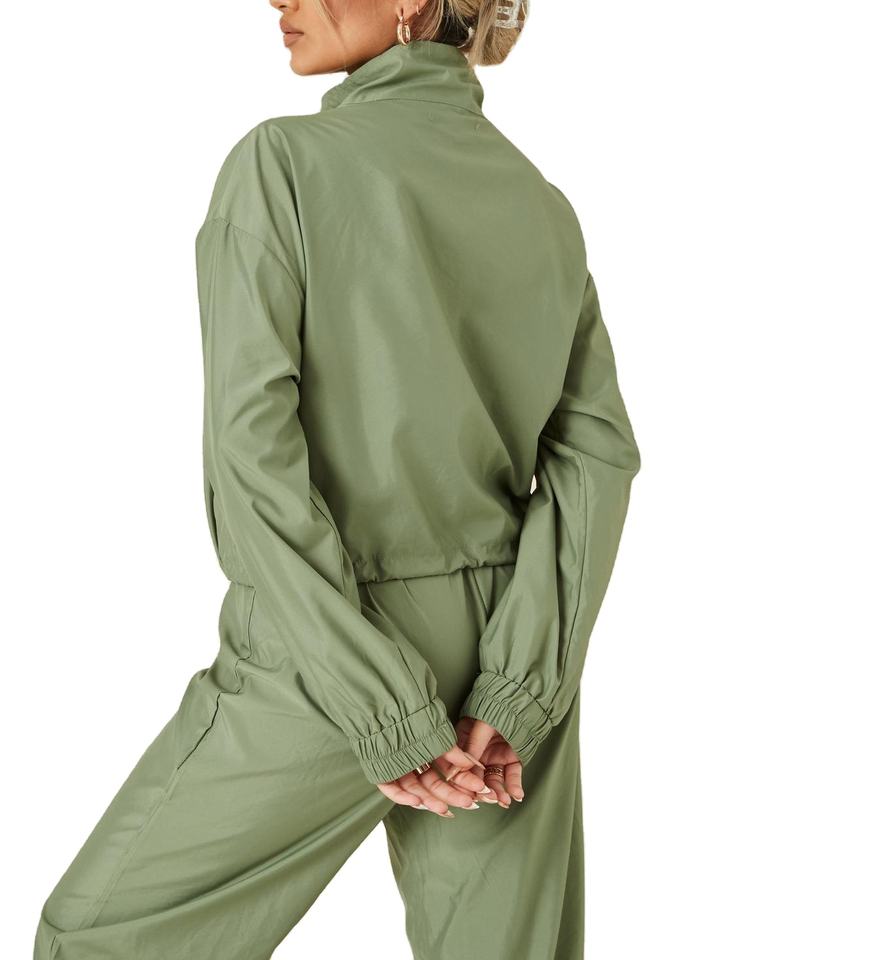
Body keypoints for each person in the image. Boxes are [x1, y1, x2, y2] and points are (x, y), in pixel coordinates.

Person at [33, 1, 641, 958]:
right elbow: (595, 453)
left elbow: (253, 459)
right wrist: (520, 687)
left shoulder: (281, 166)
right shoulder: (540, 202)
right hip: (508, 643)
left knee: (97, 940)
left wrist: (379, 702)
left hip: (330, 641)